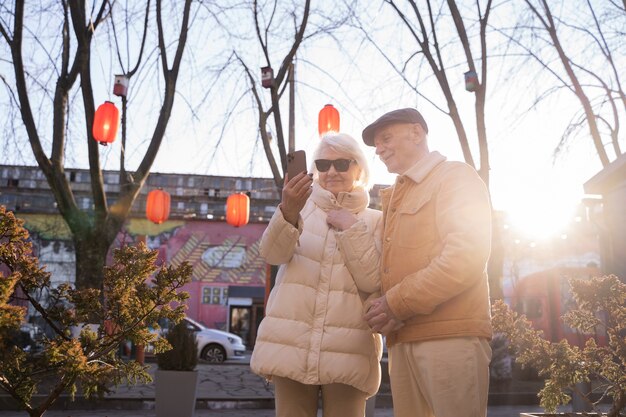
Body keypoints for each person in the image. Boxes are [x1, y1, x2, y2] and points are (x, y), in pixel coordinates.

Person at [361, 108, 493, 417]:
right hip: (403, 338)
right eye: (377, 145)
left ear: (416, 133)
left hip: (450, 337)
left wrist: (394, 303)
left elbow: (465, 255)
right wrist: (384, 307)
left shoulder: (455, 176)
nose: (379, 150)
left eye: (386, 138)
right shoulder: (396, 196)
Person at [250, 132, 383, 417]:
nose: (332, 171)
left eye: (342, 164)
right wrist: (287, 211)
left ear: (359, 168)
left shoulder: (376, 221)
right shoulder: (299, 211)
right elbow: (272, 255)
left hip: (349, 350)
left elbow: (373, 280)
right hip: (290, 344)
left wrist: (352, 229)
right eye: (323, 165)